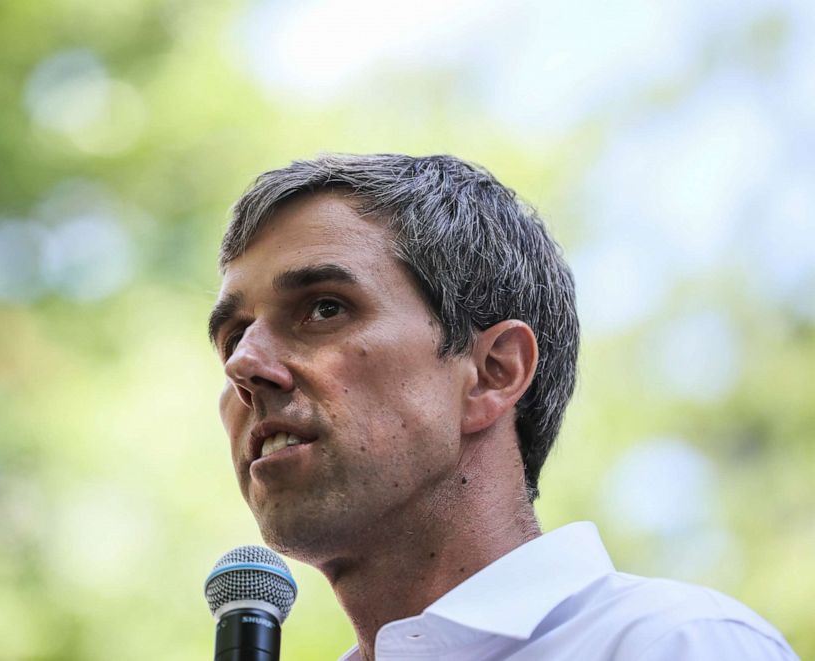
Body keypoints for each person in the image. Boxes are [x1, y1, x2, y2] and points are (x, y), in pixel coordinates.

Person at [207, 154, 798, 660]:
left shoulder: (673, 644)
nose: (243, 365)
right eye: (233, 338)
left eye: (324, 308)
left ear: (494, 372)